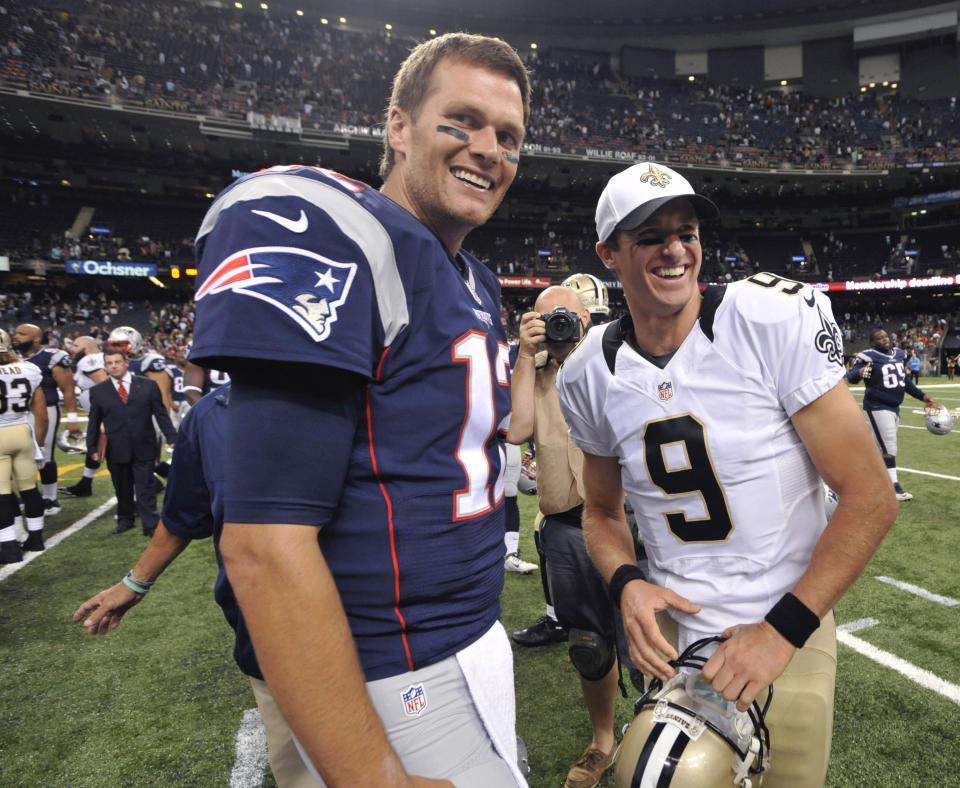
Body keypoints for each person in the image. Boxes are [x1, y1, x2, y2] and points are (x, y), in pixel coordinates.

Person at [188, 33, 530, 787]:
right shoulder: (337, 229)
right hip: (392, 665)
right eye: (461, 121)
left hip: (471, 633)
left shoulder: (473, 279)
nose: (487, 149)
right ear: (398, 127)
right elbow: (263, 547)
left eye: (508, 137)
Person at [555, 160, 898, 787]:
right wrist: (628, 582)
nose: (675, 249)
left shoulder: (763, 319)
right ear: (609, 253)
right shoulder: (588, 371)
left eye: (686, 231)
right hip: (676, 640)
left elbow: (871, 496)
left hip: (786, 623)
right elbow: (601, 513)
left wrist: (779, 632)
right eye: (650, 236)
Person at [506, 283, 622, 788]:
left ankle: (665, 724)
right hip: (566, 525)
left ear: (588, 319)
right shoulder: (531, 370)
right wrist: (527, 357)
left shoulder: (615, 355)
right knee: (587, 643)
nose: (557, 325)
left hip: (626, 517)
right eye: (545, 317)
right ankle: (603, 740)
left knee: (657, 635)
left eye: (566, 316)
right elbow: (516, 429)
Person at [86, 349, 176, 537]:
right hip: (116, 448)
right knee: (122, 487)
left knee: (145, 487)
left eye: (117, 362)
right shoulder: (98, 391)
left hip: (144, 445)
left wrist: (171, 437)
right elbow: (94, 422)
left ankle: (151, 524)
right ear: (105, 366)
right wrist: (91, 447)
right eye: (109, 363)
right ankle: (125, 519)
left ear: (126, 363)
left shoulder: (148, 385)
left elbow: (160, 414)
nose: (114, 366)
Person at [846, 328, 937, 501]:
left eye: (886, 336)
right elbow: (851, 378)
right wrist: (859, 372)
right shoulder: (867, 356)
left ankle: (863, 480)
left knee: (877, 449)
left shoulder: (898, 354)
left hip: (894, 407)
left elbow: (905, 382)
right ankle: (893, 488)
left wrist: (922, 396)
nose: (885, 340)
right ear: (872, 343)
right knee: (889, 447)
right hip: (877, 406)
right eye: (880, 338)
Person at [11, 322, 80, 515]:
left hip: (45, 410)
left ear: (36, 338)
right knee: (17, 456)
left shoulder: (53, 357)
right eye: (16, 332)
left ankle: (50, 498)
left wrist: (72, 418)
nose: (16, 336)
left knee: (44, 454)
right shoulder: (9, 357)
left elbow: (68, 390)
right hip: (15, 414)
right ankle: (26, 495)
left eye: (22, 333)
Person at [0, 329, 47, 563]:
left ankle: (9, 546)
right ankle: (36, 538)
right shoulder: (28, 369)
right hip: (22, 431)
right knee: (29, 488)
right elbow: (40, 411)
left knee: (1, 493)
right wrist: (39, 442)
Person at [59, 336, 108, 498]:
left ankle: (162, 478)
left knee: (118, 454)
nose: (71, 348)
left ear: (87, 347)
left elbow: (107, 387)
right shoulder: (99, 359)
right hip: (101, 413)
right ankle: (85, 484)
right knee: (94, 447)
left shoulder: (89, 360)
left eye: (75, 345)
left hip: (106, 414)